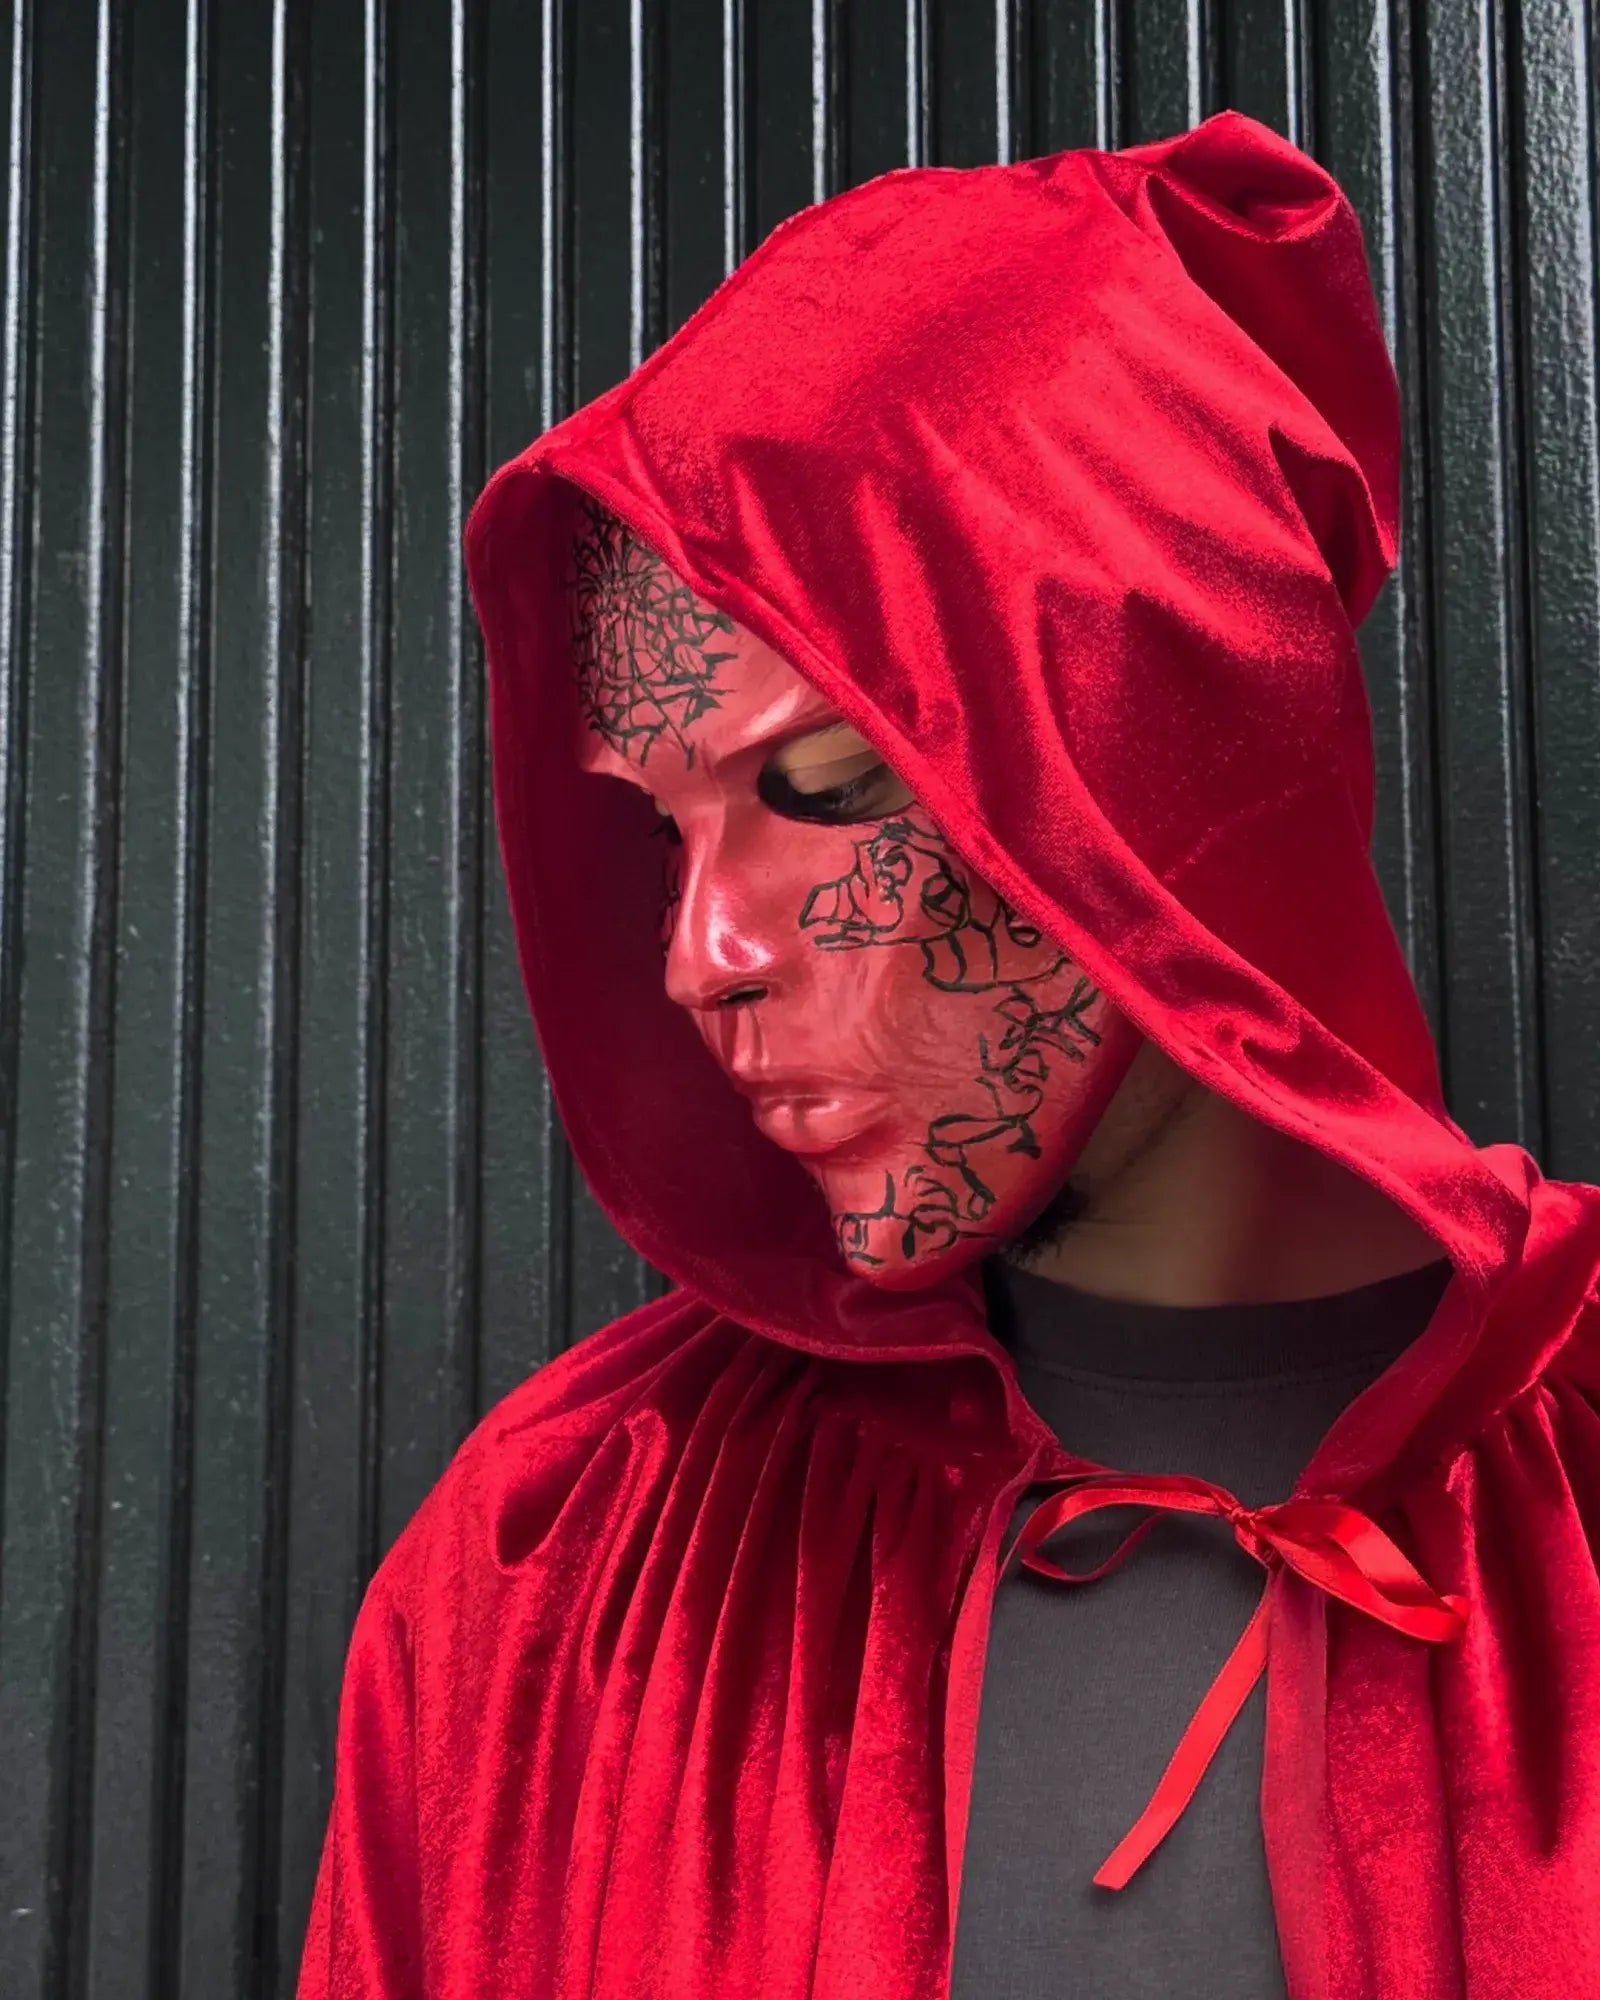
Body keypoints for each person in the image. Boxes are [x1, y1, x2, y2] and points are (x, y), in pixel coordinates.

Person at [297, 108, 1600, 1998]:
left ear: (1157, 746)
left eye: (821, 783)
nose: (698, 957)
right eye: (662, 831)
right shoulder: (551, 1563)